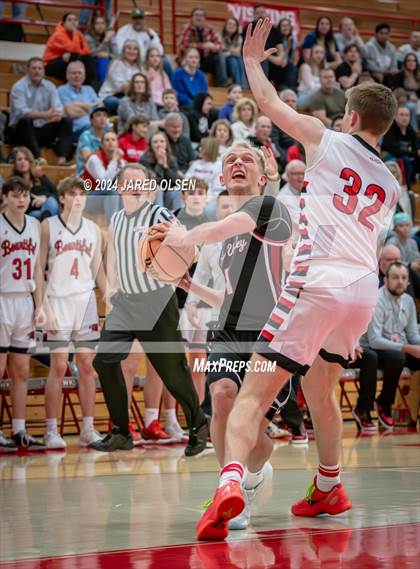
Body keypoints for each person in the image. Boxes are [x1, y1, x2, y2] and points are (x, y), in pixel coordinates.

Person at [194, 18, 400, 540]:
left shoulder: (328, 139)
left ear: (350, 115)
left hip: (319, 282)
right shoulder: (392, 182)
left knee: (251, 398)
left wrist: (251, 62)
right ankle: (329, 484)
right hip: (361, 293)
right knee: (323, 388)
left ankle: (230, 486)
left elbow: (269, 106)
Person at [150, 141, 291, 530]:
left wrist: (184, 236)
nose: (238, 163)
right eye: (230, 160)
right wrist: (187, 283)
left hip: (272, 336)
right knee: (222, 395)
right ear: (224, 179)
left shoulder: (269, 209)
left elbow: (214, 229)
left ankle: (253, 475)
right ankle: (231, 495)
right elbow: (227, 297)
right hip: (228, 330)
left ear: (262, 178)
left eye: (247, 158)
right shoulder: (224, 239)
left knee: (258, 435)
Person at [90, 163, 210, 454]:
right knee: (103, 361)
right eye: (130, 182)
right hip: (125, 303)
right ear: (119, 187)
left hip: (156, 302)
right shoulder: (116, 219)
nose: (136, 187)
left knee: (172, 373)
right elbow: (115, 256)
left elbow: (190, 248)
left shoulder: (158, 214)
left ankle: (198, 424)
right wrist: (112, 287)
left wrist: (177, 263)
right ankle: (121, 431)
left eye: (141, 183)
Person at [40, 176, 106, 449]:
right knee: (58, 366)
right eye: (73, 194)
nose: (79, 198)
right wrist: (43, 307)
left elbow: (98, 270)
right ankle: (50, 430)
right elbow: (38, 270)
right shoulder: (48, 227)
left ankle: (88, 428)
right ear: (63, 198)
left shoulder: (93, 229)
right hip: (57, 301)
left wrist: (109, 294)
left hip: (85, 301)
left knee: (87, 367)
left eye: (82, 194)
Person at [0, 176, 46, 451]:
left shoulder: (34, 225)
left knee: (20, 370)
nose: (21, 200)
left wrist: (39, 304)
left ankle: (19, 429)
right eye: (16, 195)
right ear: (4, 197)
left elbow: (38, 270)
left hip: (24, 302)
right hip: (2, 299)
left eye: (26, 195)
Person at [359, 262, 420, 430]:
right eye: (395, 277)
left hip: (397, 349)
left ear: (408, 281)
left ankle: (413, 414)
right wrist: (408, 348)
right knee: (397, 357)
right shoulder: (376, 300)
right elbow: (374, 340)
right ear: (385, 280)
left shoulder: (408, 300)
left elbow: (413, 334)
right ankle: (384, 403)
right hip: (375, 351)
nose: (400, 281)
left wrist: (415, 346)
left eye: (403, 278)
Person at [9, 58, 73, 164]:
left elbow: (58, 108)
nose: (37, 71)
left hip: (40, 131)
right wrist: (45, 115)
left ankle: (62, 158)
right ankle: (37, 158)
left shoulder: (50, 86)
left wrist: (57, 115)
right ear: (27, 70)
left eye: (40, 68)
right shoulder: (19, 87)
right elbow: (22, 112)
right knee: (26, 120)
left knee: (66, 121)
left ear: (43, 71)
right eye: (34, 68)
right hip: (20, 132)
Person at [178, 8, 227, 87]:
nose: (199, 18)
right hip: (189, 58)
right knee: (192, 55)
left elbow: (220, 45)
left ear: (205, 18)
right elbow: (184, 45)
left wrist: (214, 47)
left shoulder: (209, 29)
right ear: (192, 17)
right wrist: (204, 45)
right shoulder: (186, 28)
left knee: (220, 56)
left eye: (201, 15)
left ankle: (221, 85)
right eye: (196, 15)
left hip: (205, 59)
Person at [43, 12, 96, 85]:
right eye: (69, 20)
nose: (73, 22)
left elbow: (87, 51)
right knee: (74, 56)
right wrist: (75, 33)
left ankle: (87, 85)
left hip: (65, 61)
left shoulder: (78, 34)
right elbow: (73, 49)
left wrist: (75, 52)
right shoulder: (58, 34)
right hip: (50, 66)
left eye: (75, 20)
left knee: (88, 58)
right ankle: (73, 85)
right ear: (63, 23)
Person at [83, 131, 123, 221]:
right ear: (101, 144)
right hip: (90, 197)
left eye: (113, 140)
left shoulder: (120, 161)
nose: (110, 142)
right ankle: (113, 226)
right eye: (107, 140)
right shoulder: (94, 159)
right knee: (112, 191)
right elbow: (105, 182)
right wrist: (114, 160)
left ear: (117, 144)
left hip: (110, 197)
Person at [10, 146, 59, 220]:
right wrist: (34, 199)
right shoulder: (13, 182)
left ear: (30, 162)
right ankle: (45, 223)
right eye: (19, 159)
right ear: (15, 163)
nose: (23, 161)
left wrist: (44, 197)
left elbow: (57, 194)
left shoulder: (42, 179)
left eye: (26, 159)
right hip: (28, 215)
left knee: (51, 200)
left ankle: (45, 221)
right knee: (36, 214)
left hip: (48, 209)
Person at [57, 61, 100, 142]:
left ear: (84, 76)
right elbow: (71, 113)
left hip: (94, 126)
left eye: (80, 73)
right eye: (73, 73)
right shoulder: (61, 90)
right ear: (67, 76)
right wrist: (91, 107)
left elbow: (100, 108)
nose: (77, 76)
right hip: (76, 131)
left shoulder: (89, 89)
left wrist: (77, 105)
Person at [140, 131, 183, 211]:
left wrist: (165, 166)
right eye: (155, 142)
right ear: (150, 145)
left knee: (177, 190)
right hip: (150, 195)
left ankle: (178, 218)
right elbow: (153, 182)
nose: (159, 144)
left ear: (166, 144)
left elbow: (176, 181)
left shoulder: (171, 158)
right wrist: (159, 165)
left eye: (162, 141)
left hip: (167, 194)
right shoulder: (144, 159)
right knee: (157, 188)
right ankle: (159, 218)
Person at [98, 40, 143, 115]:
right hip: (110, 97)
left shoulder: (138, 67)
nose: (132, 51)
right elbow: (122, 87)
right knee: (126, 104)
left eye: (135, 49)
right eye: (129, 48)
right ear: (123, 50)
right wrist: (135, 85)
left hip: (128, 97)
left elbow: (142, 86)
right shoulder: (117, 63)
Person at [381, 106, 419, 187]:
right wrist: (415, 153)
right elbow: (395, 151)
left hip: (407, 157)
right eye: (402, 115)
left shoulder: (410, 130)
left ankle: (415, 184)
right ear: (395, 117)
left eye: (407, 115)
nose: (404, 117)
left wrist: (416, 152)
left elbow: (416, 145)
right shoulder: (390, 130)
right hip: (390, 157)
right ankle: (408, 188)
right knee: (405, 159)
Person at [75, 103, 110, 176]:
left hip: (105, 174)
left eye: (104, 115)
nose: (102, 118)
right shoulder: (85, 136)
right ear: (91, 120)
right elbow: (88, 158)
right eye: (98, 115)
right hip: (85, 176)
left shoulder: (108, 135)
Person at [84, 14, 115, 85]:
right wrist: (106, 39)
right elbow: (92, 53)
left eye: (102, 23)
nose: (100, 26)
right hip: (92, 62)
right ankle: (101, 84)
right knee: (103, 61)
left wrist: (113, 40)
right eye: (97, 23)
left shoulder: (107, 36)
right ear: (93, 26)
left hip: (107, 61)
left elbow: (116, 54)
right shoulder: (88, 37)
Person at [267, 18, 298, 91]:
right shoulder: (277, 39)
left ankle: (291, 88)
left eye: (287, 26)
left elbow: (293, 58)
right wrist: (288, 47)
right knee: (290, 66)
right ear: (279, 28)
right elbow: (282, 60)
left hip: (286, 67)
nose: (285, 28)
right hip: (276, 67)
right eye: (283, 26)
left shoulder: (292, 39)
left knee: (292, 67)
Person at [219, 17, 246, 87]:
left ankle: (241, 84)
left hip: (233, 59)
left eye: (234, 25)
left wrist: (228, 51)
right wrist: (231, 51)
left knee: (238, 59)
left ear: (237, 27)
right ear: (225, 25)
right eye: (229, 24)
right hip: (222, 61)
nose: (231, 26)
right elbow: (220, 51)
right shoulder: (219, 35)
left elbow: (238, 53)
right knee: (233, 60)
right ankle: (240, 85)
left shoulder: (239, 38)